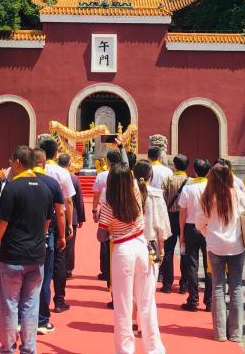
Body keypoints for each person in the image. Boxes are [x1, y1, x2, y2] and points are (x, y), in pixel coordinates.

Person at [0, 145, 53, 354]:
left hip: (13, 255)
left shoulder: (12, 188)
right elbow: (47, 222)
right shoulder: (45, 188)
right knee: (31, 305)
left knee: (9, 305)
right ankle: (29, 348)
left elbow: (1, 223)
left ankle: (8, 349)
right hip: (36, 255)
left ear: (16, 163)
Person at [97, 163, 165, 354]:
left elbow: (101, 235)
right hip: (142, 247)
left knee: (123, 305)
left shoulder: (109, 204)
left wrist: (109, 229)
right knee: (147, 303)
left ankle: (125, 350)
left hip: (122, 250)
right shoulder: (136, 190)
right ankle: (155, 349)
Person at [195, 163, 245, 343]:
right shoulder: (238, 194)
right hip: (236, 245)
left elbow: (199, 222)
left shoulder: (207, 197)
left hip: (215, 246)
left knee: (218, 287)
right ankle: (235, 333)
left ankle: (220, 332)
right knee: (236, 287)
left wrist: (208, 234)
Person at [41, 138, 76, 313]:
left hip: (38, 217)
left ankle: (39, 301)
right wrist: (69, 223)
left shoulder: (36, 171)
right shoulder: (62, 173)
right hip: (56, 218)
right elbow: (67, 201)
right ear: (56, 153)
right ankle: (59, 300)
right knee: (59, 259)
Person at [33, 149, 66, 335]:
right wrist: (62, 236)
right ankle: (41, 320)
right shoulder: (52, 183)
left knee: (23, 279)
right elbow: (60, 212)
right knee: (44, 278)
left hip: (23, 235)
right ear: (44, 163)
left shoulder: (17, 181)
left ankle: (21, 319)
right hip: (47, 234)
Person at [178, 158, 212, 311]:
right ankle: (209, 301)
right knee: (209, 265)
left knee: (192, 265)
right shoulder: (212, 188)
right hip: (209, 228)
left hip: (191, 227)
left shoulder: (188, 188)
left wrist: (181, 232)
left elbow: (182, 212)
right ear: (209, 171)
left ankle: (193, 300)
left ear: (194, 171)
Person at [133, 160, 171, 268]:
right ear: (150, 176)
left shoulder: (127, 192)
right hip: (150, 244)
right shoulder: (157, 194)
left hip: (130, 242)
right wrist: (161, 247)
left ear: (134, 174)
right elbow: (161, 224)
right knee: (149, 276)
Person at [160, 154, 190, 293]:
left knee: (168, 250)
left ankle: (167, 284)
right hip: (186, 218)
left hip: (170, 217)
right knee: (185, 251)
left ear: (175, 165)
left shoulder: (168, 180)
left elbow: (162, 199)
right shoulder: (190, 181)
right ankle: (184, 284)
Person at [93, 149, 123, 283]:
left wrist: (94, 209)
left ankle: (106, 271)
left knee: (105, 241)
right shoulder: (125, 174)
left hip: (106, 210)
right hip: (121, 210)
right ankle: (116, 271)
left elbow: (96, 194)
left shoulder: (102, 175)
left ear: (108, 161)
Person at [60, 153, 85, 279]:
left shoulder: (54, 176)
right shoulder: (74, 179)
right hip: (71, 216)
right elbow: (78, 200)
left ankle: (56, 268)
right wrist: (81, 218)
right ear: (69, 164)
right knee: (70, 246)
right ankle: (67, 270)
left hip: (56, 214)